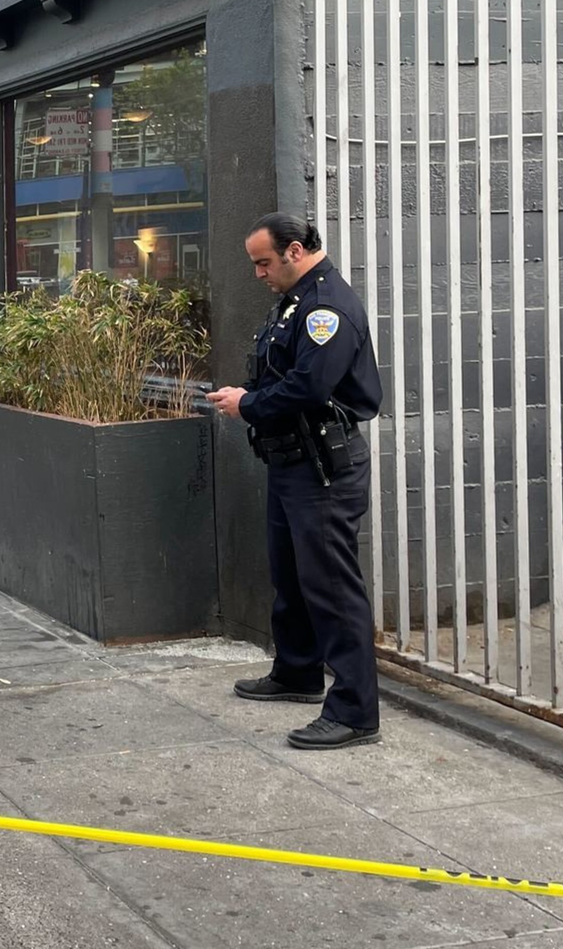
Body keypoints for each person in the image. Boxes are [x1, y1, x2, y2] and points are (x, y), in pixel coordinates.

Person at [205, 213, 383, 751]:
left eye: (264, 262)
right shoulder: (295, 301)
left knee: (331, 588)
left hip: (322, 469)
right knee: (292, 575)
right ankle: (299, 671)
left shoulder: (326, 307)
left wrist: (248, 404)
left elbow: (309, 386)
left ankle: (355, 713)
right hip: (292, 464)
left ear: (297, 251)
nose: (259, 273)